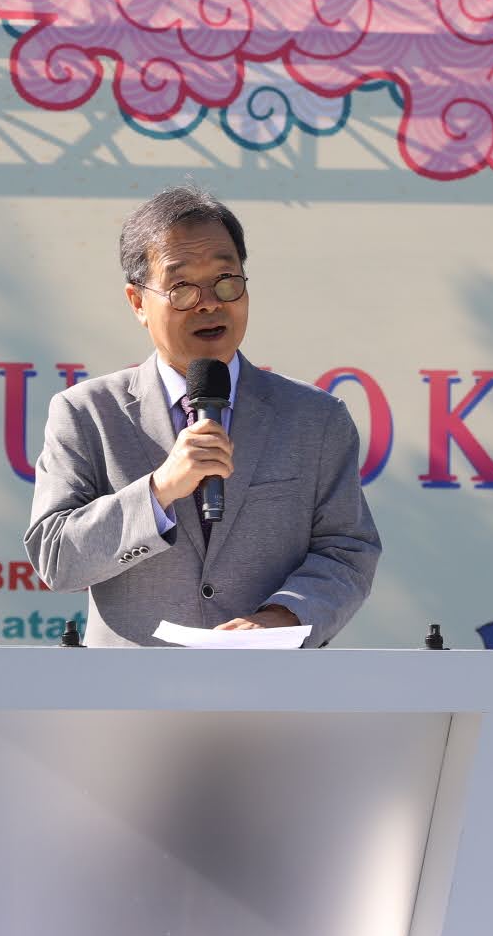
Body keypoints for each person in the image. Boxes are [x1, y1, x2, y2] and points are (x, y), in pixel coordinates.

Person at [25, 185, 379, 647]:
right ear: (138, 303)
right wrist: (159, 490)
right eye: (182, 287)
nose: (209, 302)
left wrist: (284, 616)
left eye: (226, 280)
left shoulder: (315, 418)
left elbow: (347, 551)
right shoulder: (87, 413)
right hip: (128, 685)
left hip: (270, 681)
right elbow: (57, 559)